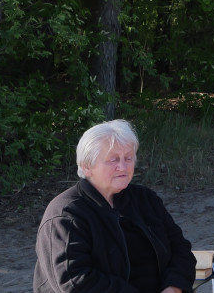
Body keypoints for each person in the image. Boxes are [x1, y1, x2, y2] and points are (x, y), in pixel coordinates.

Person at [34, 119, 195, 293]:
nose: (123, 166)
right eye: (113, 160)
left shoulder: (145, 199)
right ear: (86, 167)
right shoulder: (66, 214)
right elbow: (75, 281)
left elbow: (181, 249)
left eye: (128, 158)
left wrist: (174, 287)